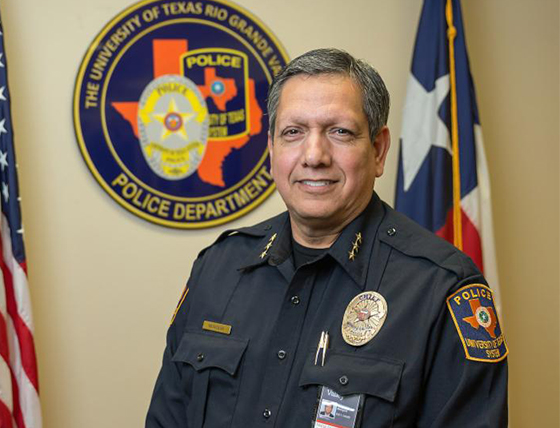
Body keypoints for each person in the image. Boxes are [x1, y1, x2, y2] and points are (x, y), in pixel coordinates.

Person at [146, 48, 508, 427]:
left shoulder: (441, 287)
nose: (314, 155)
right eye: (293, 132)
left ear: (378, 150)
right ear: (272, 151)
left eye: (340, 132)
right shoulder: (218, 268)